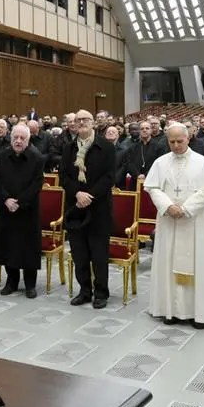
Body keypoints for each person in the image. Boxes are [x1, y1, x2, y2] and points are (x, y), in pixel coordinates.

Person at [145, 124, 204, 329]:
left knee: (198, 264)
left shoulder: (203, 163)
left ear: (188, 138)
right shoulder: (160, 163)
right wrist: (168, 206)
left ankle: (198, 314)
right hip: (169, 220)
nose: (177, 145)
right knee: (167, 262)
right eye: (172, 142)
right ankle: (169, 310)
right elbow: (152, 187)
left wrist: (186, 209)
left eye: (180, 141)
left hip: (195, 221)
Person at [60, 109, 116, 309]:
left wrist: (89, 195)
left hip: (98, 208)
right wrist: (77, 194)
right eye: (78, 120)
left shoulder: (106, 147)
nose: (81, 122)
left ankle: (101, 292)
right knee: (80, 254)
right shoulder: (68, 148)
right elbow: (64, 176)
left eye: (85, 119)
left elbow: (110, 177)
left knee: (99, 255)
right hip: (75, 208)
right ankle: (84, 291)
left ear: (93, 122)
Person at [0, 124, 45, 298]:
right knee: (8, 246)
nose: (18, 141)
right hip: (6, 209)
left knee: (28, 248)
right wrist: (6, 199)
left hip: (27, 210)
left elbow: (37, 184)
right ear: (10, 138)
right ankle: (11, 282)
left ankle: (30, 285)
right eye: (16, 138)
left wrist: (19, 202)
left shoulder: (37, 158)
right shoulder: (1, 157)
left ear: (28, 140)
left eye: (22, 138)